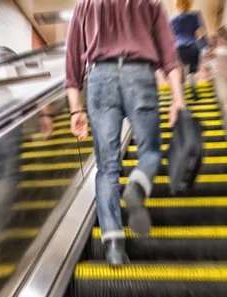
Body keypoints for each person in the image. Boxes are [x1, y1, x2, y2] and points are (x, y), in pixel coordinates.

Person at [66, 0, 184, 266]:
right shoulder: (151, 3)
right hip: (139, 75)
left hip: (100, 78)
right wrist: (178, 99)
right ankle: (138, 185)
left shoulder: (84, 5)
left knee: (107, 167)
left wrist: (75, 111)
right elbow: (170, 56)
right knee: (150, 150)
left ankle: (115, 247)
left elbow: (72, 66)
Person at [170, 0, 207, 82]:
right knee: (193, 74)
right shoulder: (194, 15)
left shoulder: (172, 19)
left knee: (182, 76)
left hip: (178, 50)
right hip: (192, 48)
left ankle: (183, 91)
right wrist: (205, 46)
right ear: (190, 3)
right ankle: (193, 89)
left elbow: (170, 38)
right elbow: (200, 33)